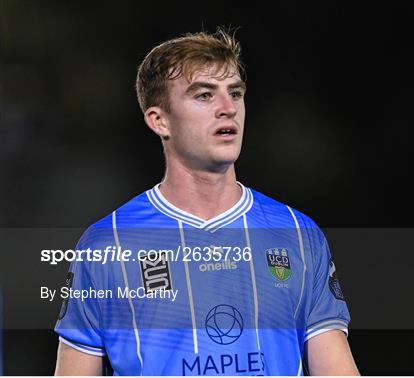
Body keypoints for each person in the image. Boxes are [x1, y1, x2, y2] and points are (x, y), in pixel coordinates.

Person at [54, 28, 359, 376]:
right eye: (204, 95)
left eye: (235, 93)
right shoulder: (107, 244)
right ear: (159, 120)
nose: (228, 109)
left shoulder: (297, 234)